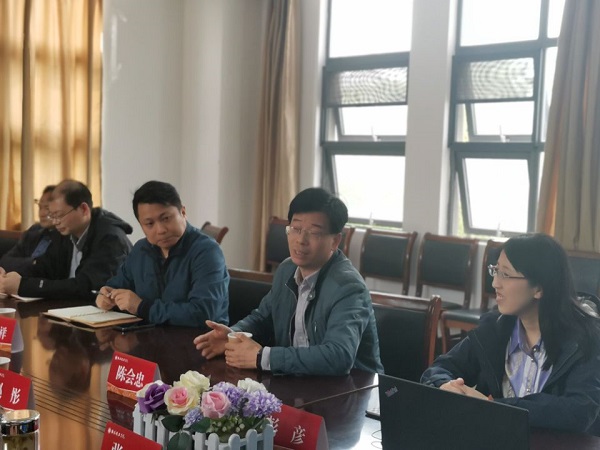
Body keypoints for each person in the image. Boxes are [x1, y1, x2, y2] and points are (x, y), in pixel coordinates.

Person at [421, 233, 600, 435]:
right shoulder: (493, 330)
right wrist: (446, 386)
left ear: (539, 288)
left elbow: (580, 410)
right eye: (496, 271)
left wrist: (494, 406)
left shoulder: (586, 338)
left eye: (505, 274)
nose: (495, 284)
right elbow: (439, 369)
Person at [194, 187, 383, 376]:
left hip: (354, 388)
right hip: (299, 381)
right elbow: (263, 318)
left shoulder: (348, 287)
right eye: (296, 229)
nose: (301, 240)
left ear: (335, 241)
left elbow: (338, 356)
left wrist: (263, 357)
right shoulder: (286, 270)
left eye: (314, 233)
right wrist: (233, 335)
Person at [95, 180, 229, 327]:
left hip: (197, 339)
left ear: (183, 212)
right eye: (149, 224)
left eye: (166, 219)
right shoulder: (141, 250)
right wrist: (105, 296)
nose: (160, 230)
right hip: (148, 336)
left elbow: (203, 314)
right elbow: (116, 286)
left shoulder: (207, 252)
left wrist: (142, 307)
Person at [0, 179, 133, 301]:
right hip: (69, 309)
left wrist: (24, 286)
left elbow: (86, 286)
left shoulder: (109, 238)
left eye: (59, 215)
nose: (55, 222)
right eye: (52, 216)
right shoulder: (65, 233)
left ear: (84, 209)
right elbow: (45, 267)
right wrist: (8, 278)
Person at [0, 185, 57, 273]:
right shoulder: (34, 230)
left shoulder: (67, 237)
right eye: (40, 207)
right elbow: (5, 261)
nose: (41, 214)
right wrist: (34, 263)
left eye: (47, 208)